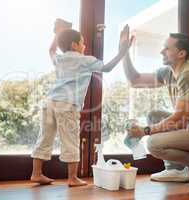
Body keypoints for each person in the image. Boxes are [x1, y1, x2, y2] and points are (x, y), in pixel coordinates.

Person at [121, 29, 189, 187]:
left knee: (153, 143)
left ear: (181, 54)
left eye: (167, 48)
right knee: (154, 115)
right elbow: (135, 81)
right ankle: (176, 170)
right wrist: (124, 52)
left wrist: (145, 131)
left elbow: (180, 120)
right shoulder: (169, 72)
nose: (161, 51)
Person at [30, 19, 132, 187]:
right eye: (83, 43)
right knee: (70, 140)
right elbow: (106, 68)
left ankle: (36, 173)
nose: (84, 46)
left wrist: (58, 33)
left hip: (49, 102)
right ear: (75, 45)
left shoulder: (60, 60)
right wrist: (122, 51)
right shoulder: (85, 60)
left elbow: (51, 49)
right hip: (67, 105)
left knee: (44, 138)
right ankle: (72, 178)